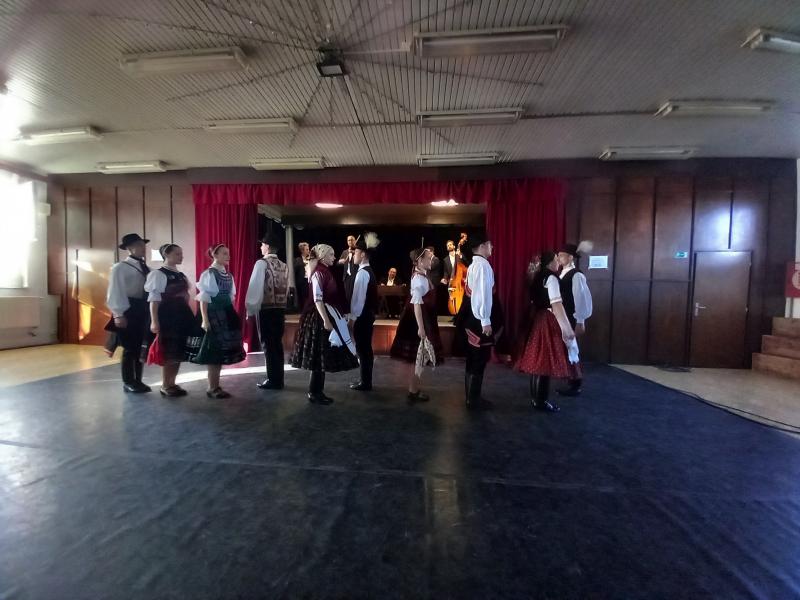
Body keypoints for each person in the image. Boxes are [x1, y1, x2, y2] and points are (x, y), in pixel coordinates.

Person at [291, 244, 359, 404]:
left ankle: (317, 391)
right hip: (319, 318)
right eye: (331, 255)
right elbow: (318, 299)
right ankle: (315, 392)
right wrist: (326, 321)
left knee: (320, 357)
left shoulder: (324, 271)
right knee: (318, 356)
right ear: (322, 256)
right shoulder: (319, 273)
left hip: (325, 314)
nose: (334, 257)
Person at [515, 251, 578, 412]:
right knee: (544, 362)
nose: (559, 262)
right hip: (547, 319)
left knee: (538, 361)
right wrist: (566, 328)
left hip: (538, 318)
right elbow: (556, 304)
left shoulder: (538, 276)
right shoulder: (551, 278)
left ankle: (536, 399)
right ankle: (540, 401)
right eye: (557, 259)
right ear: (551, 261)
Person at [190, 243, 246, 399]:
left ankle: (215, 386)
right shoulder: (209, 274)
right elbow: (204, 299)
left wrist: (231, 315)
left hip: (226, 314)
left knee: (221, 351)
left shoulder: (227, 275)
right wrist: (205, 319)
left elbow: (230, 297)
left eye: (228, 253)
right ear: (214, 255)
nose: (228, 256)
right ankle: (212, 387)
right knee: (213, 351)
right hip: (213, 315)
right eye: (224, 253)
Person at [389, 247, 443, 403]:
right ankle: (413, 391)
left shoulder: (422, 276)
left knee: (418, 358)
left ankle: (413, 389)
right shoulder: (419, 279)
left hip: (423, 319)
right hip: (416, 321)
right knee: (416, 358)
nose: (431, 260)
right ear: (419, 261)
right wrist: (421, 327)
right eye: (428, 258)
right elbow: (417, 305)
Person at [455, 235, 502, 410]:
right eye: (490, 244)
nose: (492, 247)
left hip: (472, 319)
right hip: (478, 321)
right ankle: (473, 400)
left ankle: (471, 398)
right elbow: (481, 295)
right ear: (482, 246)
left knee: (473, 359)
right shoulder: (482, 266)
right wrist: (485, 320)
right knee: (478, 359)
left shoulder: (475, 265)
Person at [145, 243, 198, 397]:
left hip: (181, 315)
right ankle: (165, 385)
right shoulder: (158, 274)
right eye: (177, 254)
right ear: (166, 255)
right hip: (167, 316)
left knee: (178, 351)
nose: (181, 257)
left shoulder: (181, 275)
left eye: (181, 254)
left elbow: (186, 296)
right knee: (169, 351)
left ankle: (172, 383)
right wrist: (154, 321)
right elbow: (154, 300)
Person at [105, 233, 152, 393]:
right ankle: (128, 381)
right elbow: (115, 291)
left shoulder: (146, 267)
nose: (142, 248)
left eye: (143, 245)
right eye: (138, 245)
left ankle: (138, 380)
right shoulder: (120, 267)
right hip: (128, 308)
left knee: (140, 346)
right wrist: (118, 314)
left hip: (142, 308)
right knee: (130, 347)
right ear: (129, 248)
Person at [246, 234, 289, 391]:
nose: (261, 247)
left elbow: (255, 287)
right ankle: (279, 378)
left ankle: (273, 380)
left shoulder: (261, 263)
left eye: (262, 245)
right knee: (276, 343)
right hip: (280, 309)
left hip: (266, 309)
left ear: (268, 246)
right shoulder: (284, 265)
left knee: (268, 345)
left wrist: (250, 309)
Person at [556, 242, 593, 396]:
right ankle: (571, 380)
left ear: (570, 257)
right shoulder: (562, 273)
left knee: (571, 347)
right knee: (567, 347)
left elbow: (581, 298)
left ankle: (575, 383)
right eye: (558, 255)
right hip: (564, 315)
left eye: (562, 255)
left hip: (571, 316)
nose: (559, 258)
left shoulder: (576, 275)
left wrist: (580, 320)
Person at [348, 233, 380, 391]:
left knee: (363, 349)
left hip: (362, 317)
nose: (353, 255)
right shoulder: (368, 271)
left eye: (355, 252)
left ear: (362, 254)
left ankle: (365, 382)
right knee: (366, 349)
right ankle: (366, 381)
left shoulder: (362, 273)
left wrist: (352, 320)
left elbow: (358, 301)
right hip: (368, 316)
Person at [338, 234, 358, 304]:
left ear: (355, 241)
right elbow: (337, 263)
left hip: (355, 276)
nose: (350, 241)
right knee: (347, 296)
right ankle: (348, 309)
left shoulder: (358, 251)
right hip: (346, 277)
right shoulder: (345, 252)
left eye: (352, 240)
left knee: (355, 296)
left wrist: (354, 253)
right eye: (348, 240)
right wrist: (340, 261)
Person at [294, 241, 311, 310]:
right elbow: (294, 271)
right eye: (307, 249)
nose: (308, 251)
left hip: (310, 280)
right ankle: (303, 312)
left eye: (308, 249)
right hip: (302, 281)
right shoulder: (298, 260)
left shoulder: (311, 259)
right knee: (302, 298)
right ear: (302, 251)